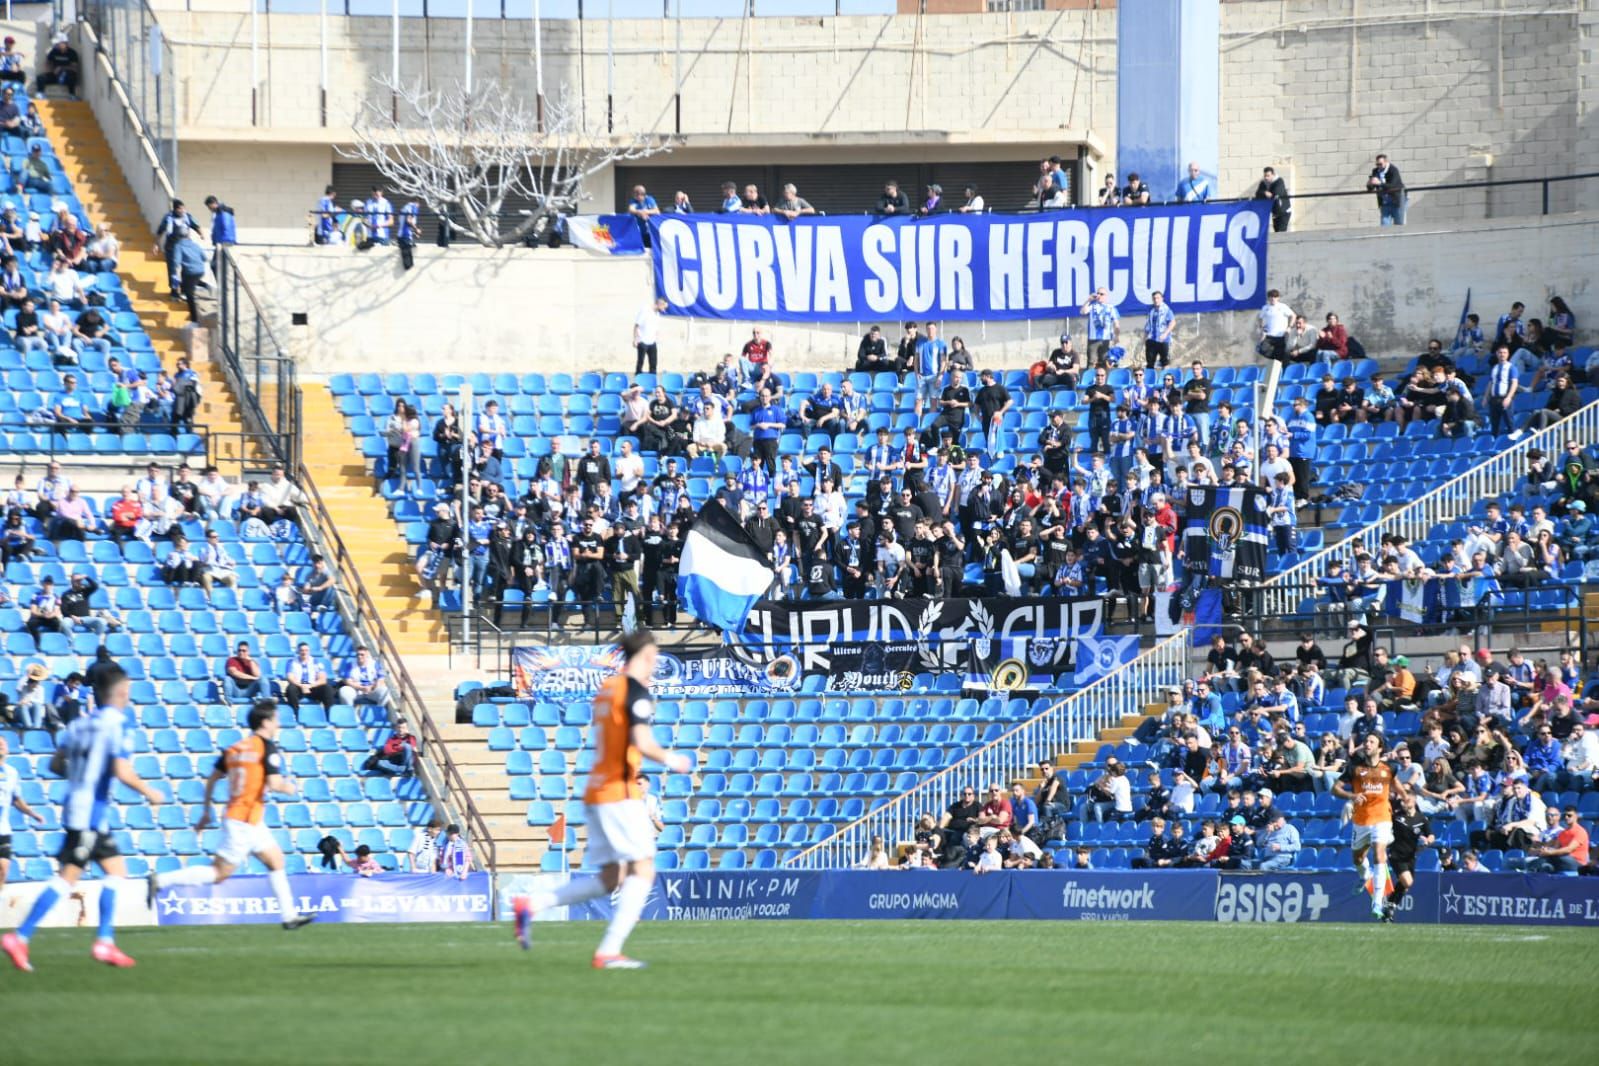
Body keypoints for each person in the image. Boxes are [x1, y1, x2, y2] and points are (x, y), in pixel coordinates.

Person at [512, 630, 693, 969]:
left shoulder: (608, 688)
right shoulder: (636, 692)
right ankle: (609, 950)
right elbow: (641, 740)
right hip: (620, 792)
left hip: (596, 790)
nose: (655, 665)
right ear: (641, 656)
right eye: (653, 658)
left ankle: (531, 905)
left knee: (611, 878)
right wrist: (673, 760)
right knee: (643, 871)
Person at [4, 666, 165, 972]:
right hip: (89, 813)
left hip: (78, 808)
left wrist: (80, 778)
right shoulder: (118, 724)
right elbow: (121, 770)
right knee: (69, 878)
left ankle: (104, 940)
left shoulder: (78, 725)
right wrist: (150, 792)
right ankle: (22, 936)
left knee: (116, 872)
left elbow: (54, 764)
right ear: (121, 692)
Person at [144, 699, 315, 928]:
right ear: (265, 722)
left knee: (276, 860)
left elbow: (213, 777)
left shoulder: (235, 749)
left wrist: (206, 810)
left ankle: (289, 916)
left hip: (247, 817)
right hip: (244, 819)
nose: (278, 725)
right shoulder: (266, 747)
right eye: (276, 720)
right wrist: (289, 787)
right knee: (219, 873)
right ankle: (161, 880)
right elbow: (274, 783)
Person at [1333, 731, 1397, 920]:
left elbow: (1397, 785)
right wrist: (1352, 796)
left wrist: (1404, 796)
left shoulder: (1389, 768)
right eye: (1366, 740)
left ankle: (1377, 902)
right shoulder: (1355, 768)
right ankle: (1365, 876)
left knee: (1379, 854)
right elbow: (1334, 788)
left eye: (1371, 741)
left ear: (1380, 747)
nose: (1367, 744)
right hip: (1361, 821)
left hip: (1382, 819)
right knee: (1358, 859)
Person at [0, 735, 45, 895]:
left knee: (4, 867)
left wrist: (33, 814)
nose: (1, 745)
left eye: (3, 743)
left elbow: (16, 799)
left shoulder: (12, 773)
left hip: (3, 830)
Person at [1367, 153, 1407, 226]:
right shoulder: (1375, 171)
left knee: (1399, 226)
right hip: (1385, 203)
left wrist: (1379, 183)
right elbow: (1371, 188)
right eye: (1377, 164)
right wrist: (1370, 184)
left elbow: (1393, 186)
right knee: (1384, 226)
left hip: (1397, 201)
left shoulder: (1393, 170)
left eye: (1380, 164)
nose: (1378, 166)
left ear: (1386, 162)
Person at [633, 296, 666, 375]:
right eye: (663, 307)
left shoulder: (657, 314)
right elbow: (636, 325)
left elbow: (655, 328)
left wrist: (657, 338)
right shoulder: (645, 310)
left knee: (653, 364)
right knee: (640, 363)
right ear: (659, 304)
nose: (664, 309)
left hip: (652, 342)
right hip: (642, 341)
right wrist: (635, 339)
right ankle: (637, 382)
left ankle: (652, 381)